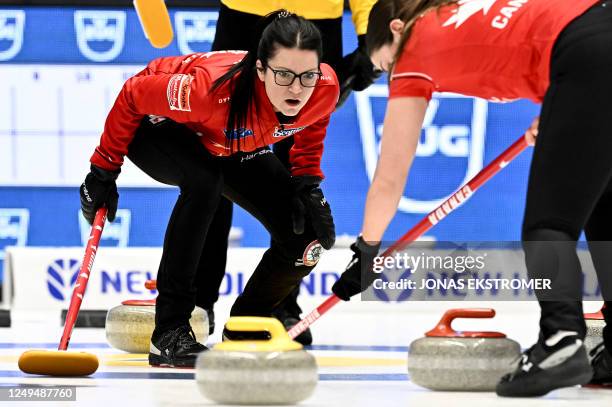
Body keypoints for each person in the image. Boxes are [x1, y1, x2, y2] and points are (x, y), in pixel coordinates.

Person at [331, 0, 612, 397]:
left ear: (396, 29)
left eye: (384, 66)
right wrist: (561, 109)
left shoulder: (412, 50)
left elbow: (390, 177)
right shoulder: (454, 12)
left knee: (549, 224)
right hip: (595, 34)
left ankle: (560, 340)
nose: (391, 76)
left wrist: (368, 248)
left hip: (586, 53)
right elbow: (542, 33)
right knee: (602, 207)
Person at [80, 11, 338, 368]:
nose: (296, 89)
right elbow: (133, 95)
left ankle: (248, 324)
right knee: (204, 185)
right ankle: (169, 332)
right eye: (284, 75)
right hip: (160, 127)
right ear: (260, 70)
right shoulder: (205, 92)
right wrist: (103, 171)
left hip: (227, 140)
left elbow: (313, 118)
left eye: (306, 76)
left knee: (305, 236)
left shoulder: (323, 88)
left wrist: (307, 180)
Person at [199, 0, 379, 345]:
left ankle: (277, 304)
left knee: (296, 167)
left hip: (318, 20)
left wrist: (369, 31)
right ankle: (197, 301)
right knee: (215, 150)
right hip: (244, 12)